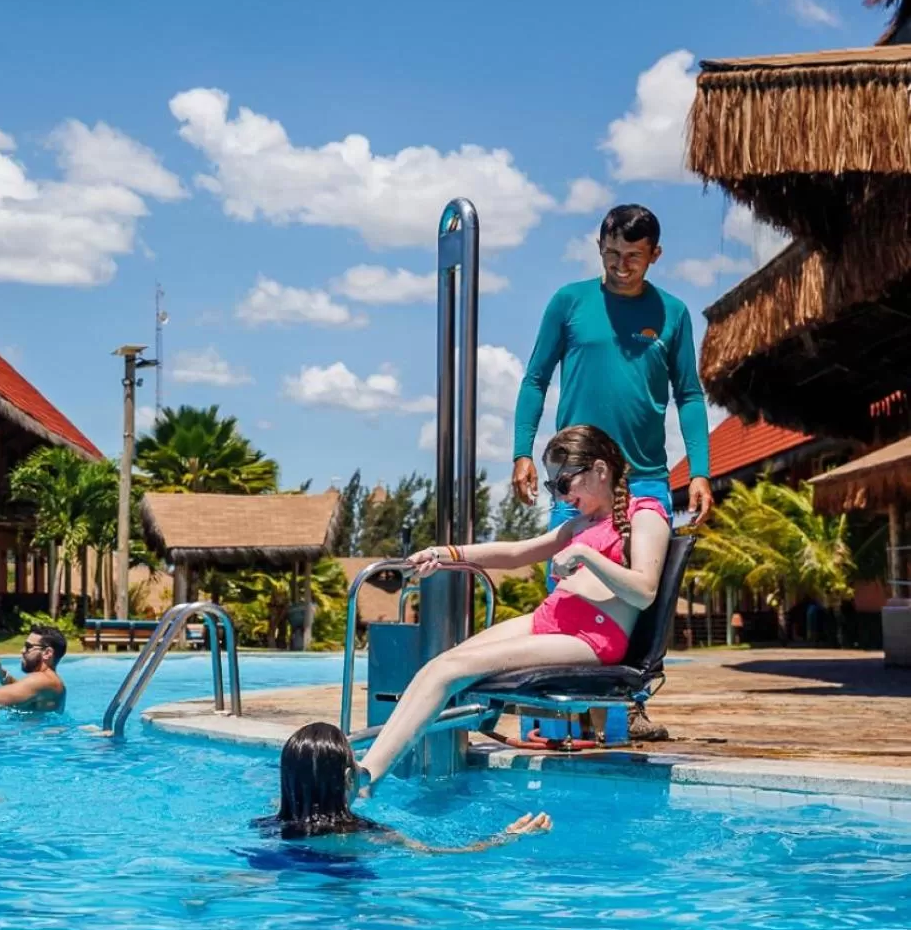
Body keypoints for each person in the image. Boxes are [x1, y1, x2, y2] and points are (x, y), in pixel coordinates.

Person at [357, 425, 671, 791]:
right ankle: (372, 765)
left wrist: (586, 554)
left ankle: (368, 778)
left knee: (450, 671)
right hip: (549, 621)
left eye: (564, 483)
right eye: (554, 487)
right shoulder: (580, 523)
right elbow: (515, 552)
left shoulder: (645, 515)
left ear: (600, 470)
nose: (560, 495)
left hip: (590, 637)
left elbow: (644, 590)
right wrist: (444, 555)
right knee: (439, 666)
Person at [513, 203, 711, 742]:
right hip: (577, 479)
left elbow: (689, 394)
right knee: (568, 586)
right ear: (599, 247)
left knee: (646, 590)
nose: (621, 266)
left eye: (634, 257)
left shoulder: (672, 313)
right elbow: (535, 379)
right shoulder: (569, 302)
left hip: (646, 475)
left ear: (655, 255)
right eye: (612, 254)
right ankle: (567, 709)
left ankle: (634, 698)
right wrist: (522, 451)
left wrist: (701, 468)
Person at [255, 722, 552, 853]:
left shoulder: (269, 826)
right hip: (344, 894)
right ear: (349, 779)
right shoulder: (369, 835)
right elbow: (441, 853)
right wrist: (506, 837)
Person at [0, 625, 67, 712]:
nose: (22, 650)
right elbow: (21, 689)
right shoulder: (51, 681)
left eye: (28, 646)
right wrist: (1, 673)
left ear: (47, 653)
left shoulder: (40, 681)